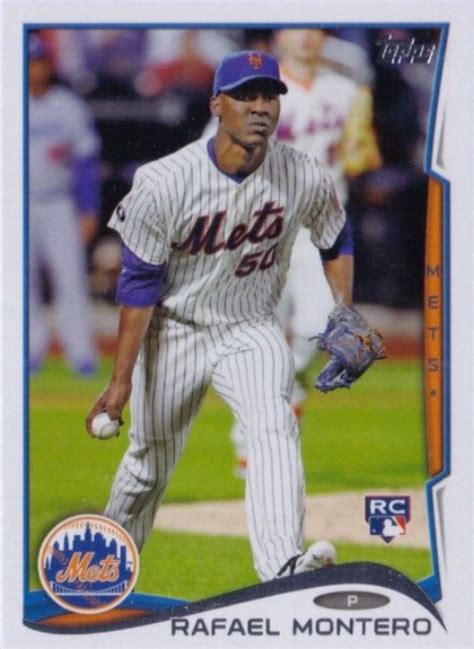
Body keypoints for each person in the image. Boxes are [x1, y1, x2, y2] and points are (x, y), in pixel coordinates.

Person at [86, 50, 353, 581]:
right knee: (148, 465)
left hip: (250, 326)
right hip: (174, 330)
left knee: (274, 426)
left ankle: (282, 568)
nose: (260, 107)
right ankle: (101, 570)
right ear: (216, 105)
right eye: (245, 96)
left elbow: (335, 236)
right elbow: (138, 284)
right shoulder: (165, 181)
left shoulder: (302, 173)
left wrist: (342, 307)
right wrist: (119, 383)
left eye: (269, 96)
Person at [229, 29, 381, 475]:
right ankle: (250, 443)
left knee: (319, 328)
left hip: (322, 228)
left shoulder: (346, 90)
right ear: (280, 36)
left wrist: (360, 151)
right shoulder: (250, 91)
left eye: (314, 27)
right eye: (297, 27)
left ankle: (289, 395)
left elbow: (364, 156)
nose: (307, 37)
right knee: (260, 341)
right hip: (262, 231)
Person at [29, 34, 100, 374]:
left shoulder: (67, 104)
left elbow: (85, 160)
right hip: (15, 207)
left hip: (58, 202)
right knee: (19, 282)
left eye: (39, 61)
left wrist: (88, 208)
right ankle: (28, 350)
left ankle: (80, 354)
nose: (34, 68)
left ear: (49, 64)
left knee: (70, 279)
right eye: (29, 62)